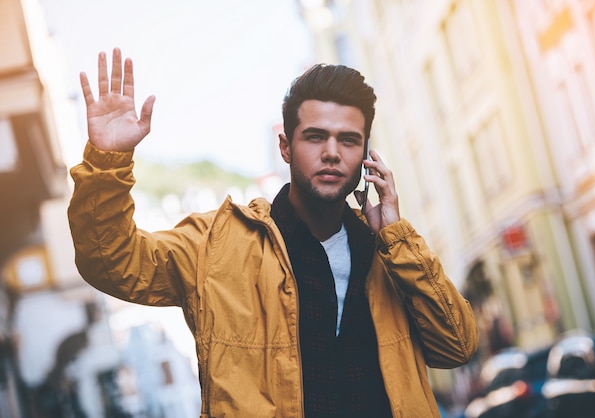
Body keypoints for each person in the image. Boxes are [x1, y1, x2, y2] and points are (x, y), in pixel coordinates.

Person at [68, 48, 478, 418]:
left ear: (367, 156)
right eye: (315, 137)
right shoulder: (215, 244)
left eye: (348, 140)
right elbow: (111, 262)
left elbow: (456, 346)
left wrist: (396, 236)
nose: (332, 152)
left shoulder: (390, 252)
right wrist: (108, 161)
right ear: (285, 147)